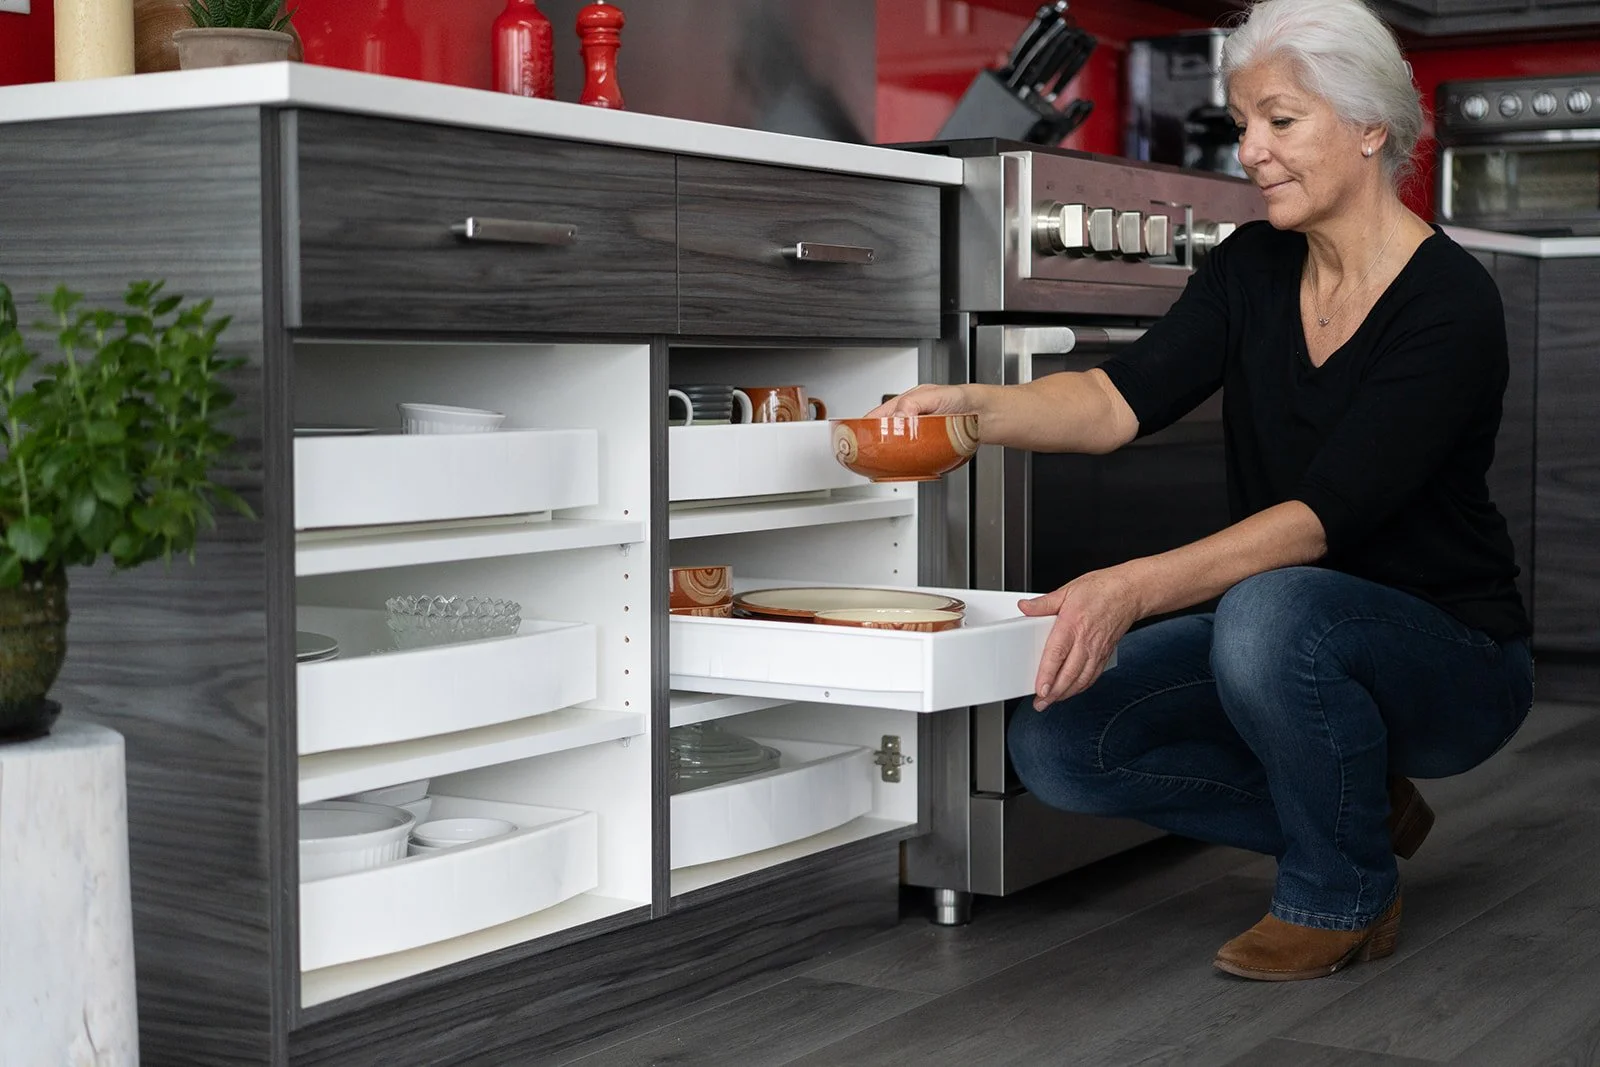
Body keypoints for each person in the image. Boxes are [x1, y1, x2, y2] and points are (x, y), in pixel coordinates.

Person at [872, 0, 1533, 981]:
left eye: (1280, 120)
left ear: (1368, 127)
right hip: (1279, 632)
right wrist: (970, 409)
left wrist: (1130, 587)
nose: (1251, 151)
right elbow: (1113, 400)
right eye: (1242, 123)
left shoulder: (1449, 302)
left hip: (1451, 654)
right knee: (1061, 742)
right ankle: (1349, 806)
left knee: (1268, 606)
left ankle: (1340, 890)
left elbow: (1320, 520)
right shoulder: (1252, 266)